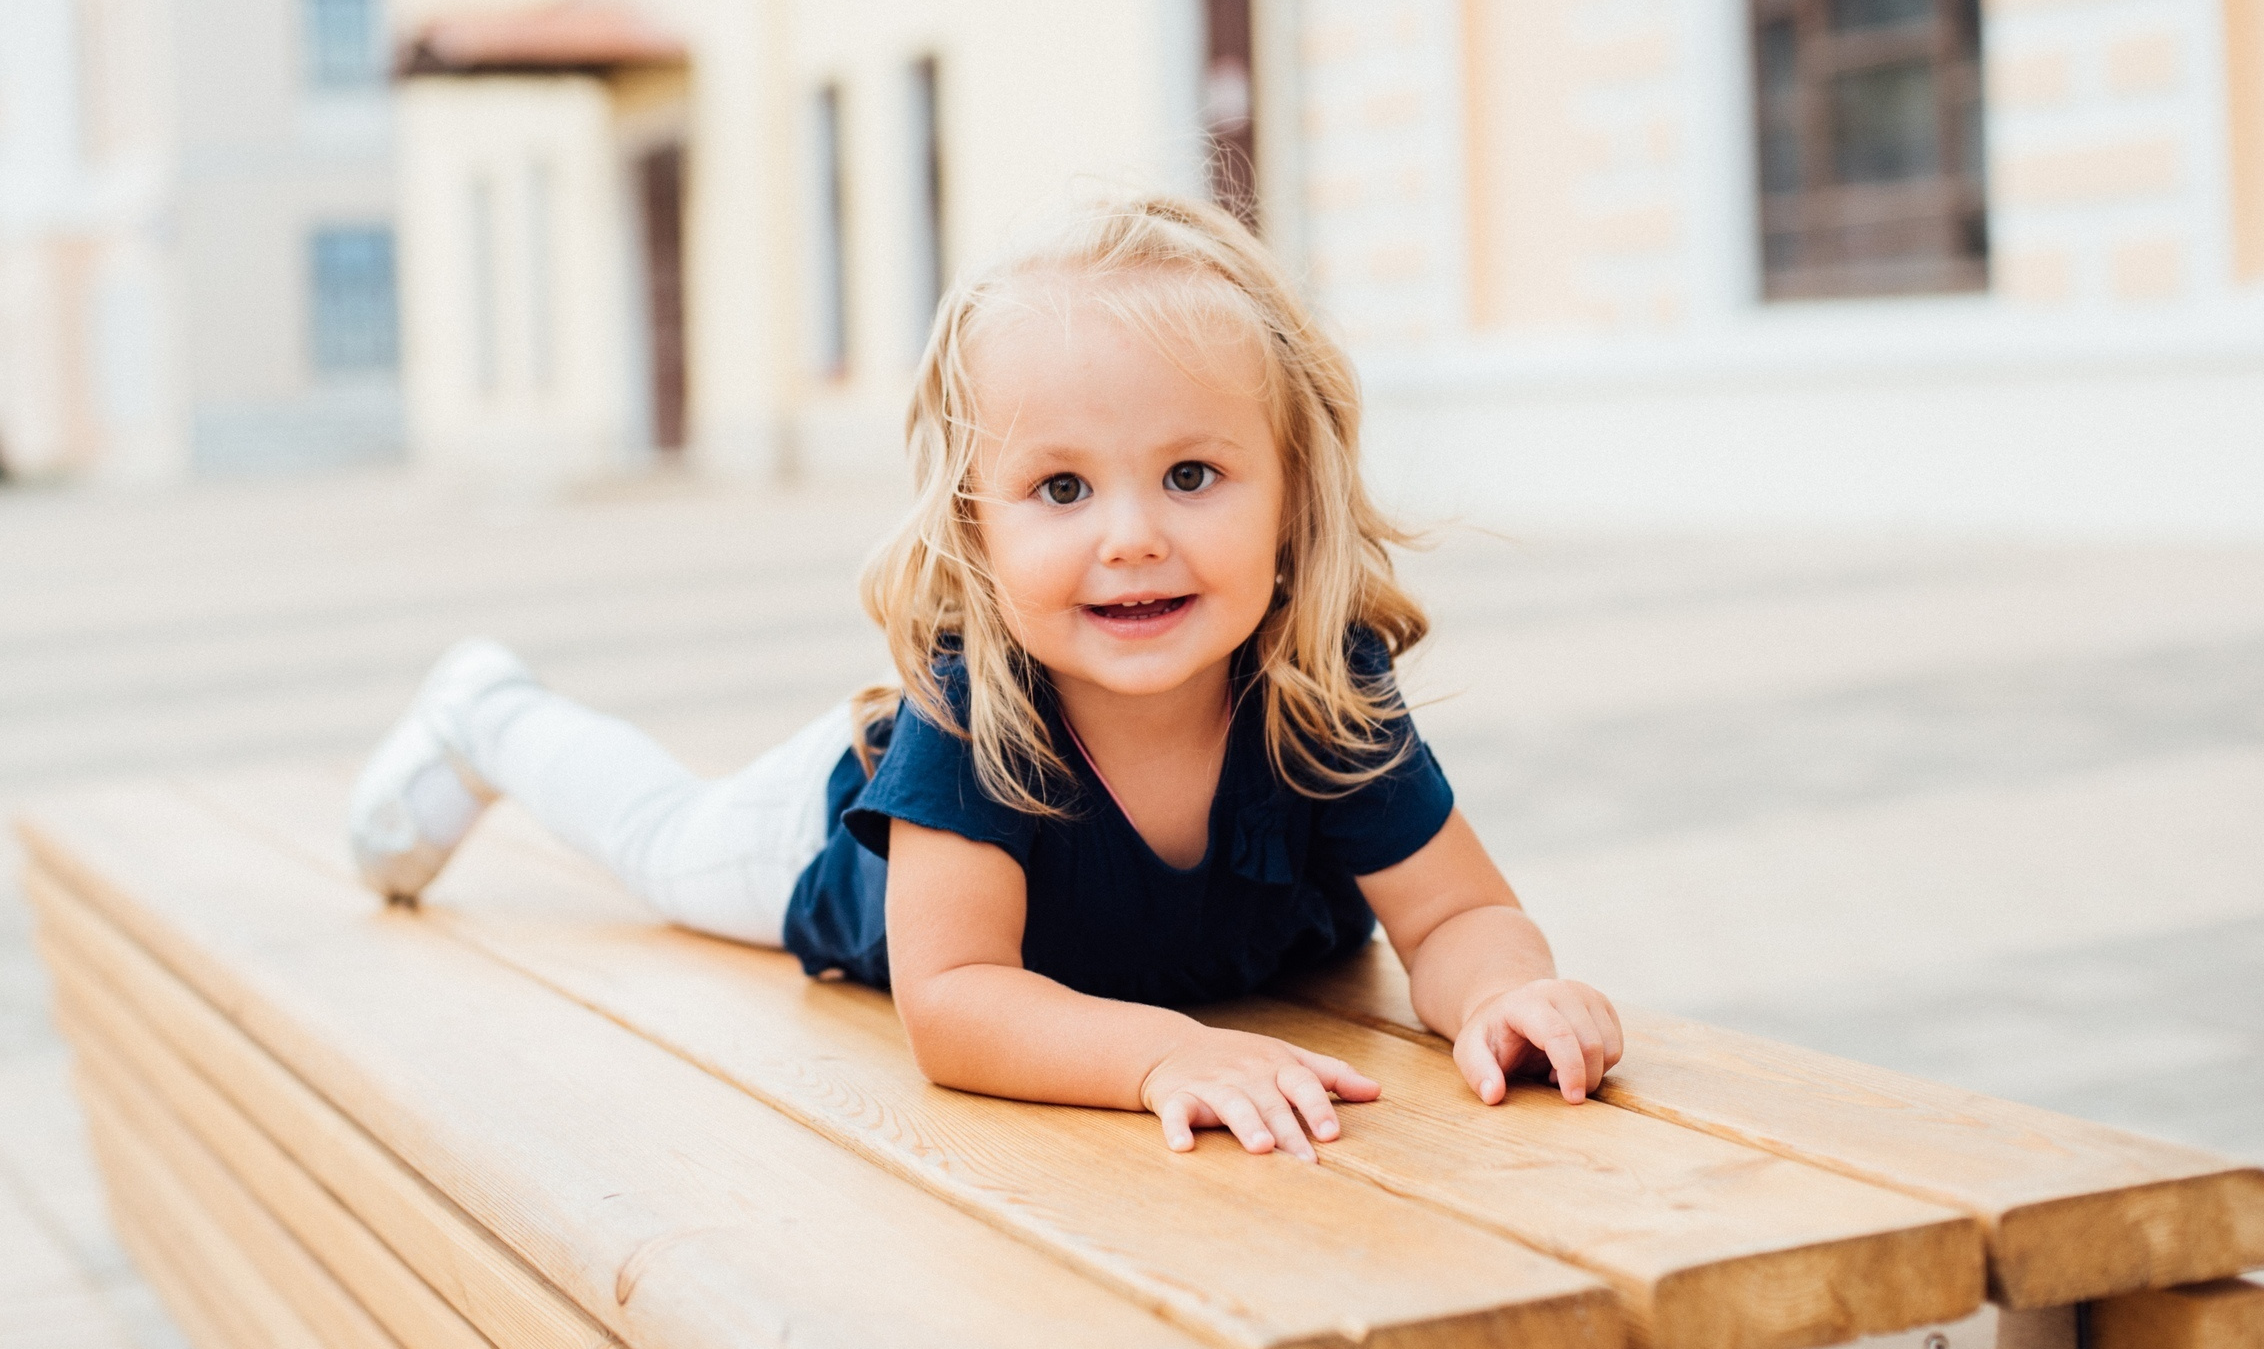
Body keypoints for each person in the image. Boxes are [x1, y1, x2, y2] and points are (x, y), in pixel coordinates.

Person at [347, 193, 1621, 1163]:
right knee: (659, 837)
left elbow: (1451, 916)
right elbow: (952, 1001)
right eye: (1060, 487)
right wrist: (1163, 1051)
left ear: (1293, 500)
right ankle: (488, 714)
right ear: (974, 528)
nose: (1129, 536)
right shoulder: (978, 708)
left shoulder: (1319, 690)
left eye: (1191, 474)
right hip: (815, 835)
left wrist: (1507, 992)